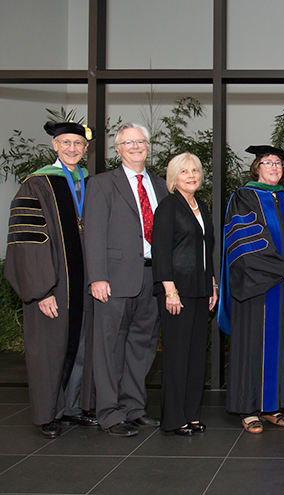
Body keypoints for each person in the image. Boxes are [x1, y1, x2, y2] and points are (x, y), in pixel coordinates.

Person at [5, 121, 98, 438]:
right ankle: (48, 414)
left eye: (78, 144)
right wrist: (40, 290)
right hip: (53, 286)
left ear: (85, 149)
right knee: (49, 349)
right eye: (66, 143)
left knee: (82, 348)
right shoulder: (38, 184)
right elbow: (28, 241)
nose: (73, 148)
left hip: (84, 286)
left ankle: (72, 407)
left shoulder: (89, 183)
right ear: (55, 146)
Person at [219, 145, 284, 434]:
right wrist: (283, 269)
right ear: (256, 167)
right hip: (257, 288)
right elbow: (245, 245)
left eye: (278, 163)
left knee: (282, 345)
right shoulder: (243, 197)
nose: (274, 168)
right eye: (267, 163)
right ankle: (248, 409)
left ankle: (272, 405)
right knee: (253, 346)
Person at [85, 122, 168, 437]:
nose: (135, 147)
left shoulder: (160, 185)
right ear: (117, 149)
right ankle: (109, 413)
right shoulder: (103, 184)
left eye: (141, 141)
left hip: (152, 277)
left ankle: (134, 408)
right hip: (114, 279)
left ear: (148, 147)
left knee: (142, 347)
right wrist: (97, 277)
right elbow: (93, 233)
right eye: (128, 142)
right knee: (109, 347)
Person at [151, 153, 217, 436]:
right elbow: (161, 252)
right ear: (173, 177)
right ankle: (174, 419)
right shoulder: (168, 207)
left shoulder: (200, 205)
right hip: (177, 291)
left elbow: (207, 250)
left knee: (195, 357)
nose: (191, 175)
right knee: (177, 356)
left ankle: (191, 414)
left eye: (195, 170)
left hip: (200, 290)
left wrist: (212, 284)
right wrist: (169, 290)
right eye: (184, 171)